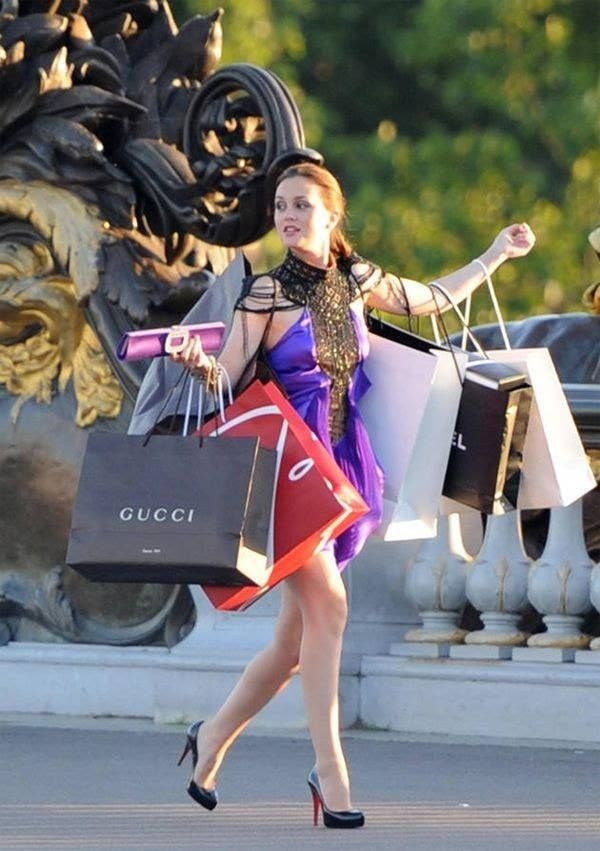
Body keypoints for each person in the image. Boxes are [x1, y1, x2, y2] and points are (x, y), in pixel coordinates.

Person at [171, 161, 536, 827]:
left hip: (344, 470)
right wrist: (198, 363)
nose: (288, 215)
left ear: (331, 216)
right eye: (281, 204)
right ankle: (331, 769)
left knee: (292, 642)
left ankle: (210, 737)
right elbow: (225, 372)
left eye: (302, 205)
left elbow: (433, 299)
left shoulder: (355, 280)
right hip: (289, 473)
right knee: (331, 612)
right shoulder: (264, 296)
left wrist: (494, 254)